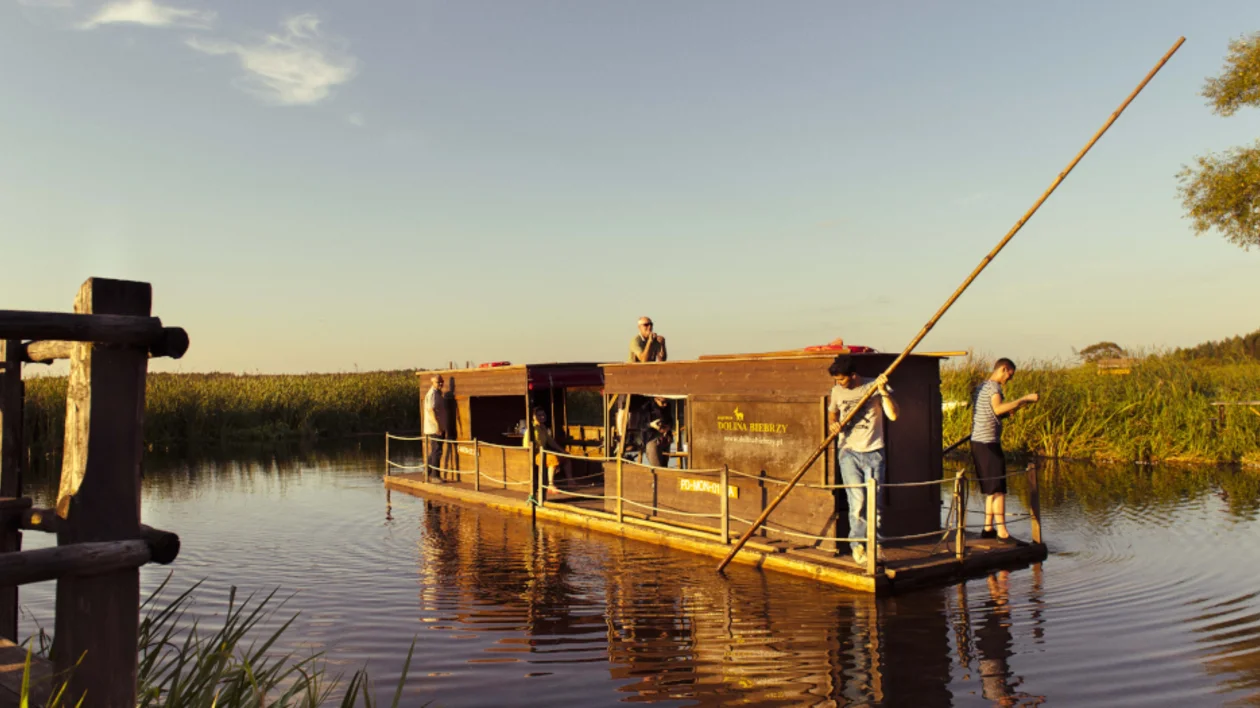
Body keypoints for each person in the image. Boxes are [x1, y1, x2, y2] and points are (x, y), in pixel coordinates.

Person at [827, 355, 899, 566]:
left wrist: (883, 391)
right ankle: (857, 545)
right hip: (848, 451)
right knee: (857, 500)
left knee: (874, 502)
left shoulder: (874, 385)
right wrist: (834, 424)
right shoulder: (836, 391)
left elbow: (893, 415)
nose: (838, 383)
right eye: (836, 380)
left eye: (841, 379)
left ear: (853, 375)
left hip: (874, 450)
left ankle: (874, 543)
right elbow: (832, 413)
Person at [971, 358, 1039, 542]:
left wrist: (1009, 411)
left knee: (991, 489)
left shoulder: (981, 387)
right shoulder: (994, 388)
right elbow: (998, 408)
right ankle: (1002, 533)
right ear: (1004, 369)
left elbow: (991, 413)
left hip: (978, 442)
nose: (1010, 378)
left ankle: (988, 528)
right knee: (998, 490)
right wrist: (1023, 399)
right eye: (1010, 374)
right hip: (988, 443)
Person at [530, 407, 572, 491]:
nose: (542, 417)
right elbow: (526, 444)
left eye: (543, 415)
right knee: (553, 459)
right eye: (539, 415)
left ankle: (570, 480)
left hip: (544, 452)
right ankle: (550, 484)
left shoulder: (543, 427)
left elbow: (551, 442)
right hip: (535, 454)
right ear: (534, 417)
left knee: (565, 457)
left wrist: (562, 451)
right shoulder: (532, 428)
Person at [423, 374, 447, 483]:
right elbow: (431, 410)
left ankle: (427, 470)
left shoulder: (438, 393)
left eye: (442, 381)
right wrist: (437, 425)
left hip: (438, 427)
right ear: (432, 382)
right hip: (435, 428)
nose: (441, 383)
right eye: (438, 382)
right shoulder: (432, 394)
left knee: (434, 451)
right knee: (437, 451)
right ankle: (435, 476)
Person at [641, 397, 672, 468]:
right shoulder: (646, 407)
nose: (665, 404)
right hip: (651, 440)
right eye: (663, 402)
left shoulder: (668, 407)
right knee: (657, 468)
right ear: (656, 399)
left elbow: (670, 421)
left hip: (665, 439)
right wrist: (651, 425)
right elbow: (641, 425)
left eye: (667, 401)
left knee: (665, 467)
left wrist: (668, 428)